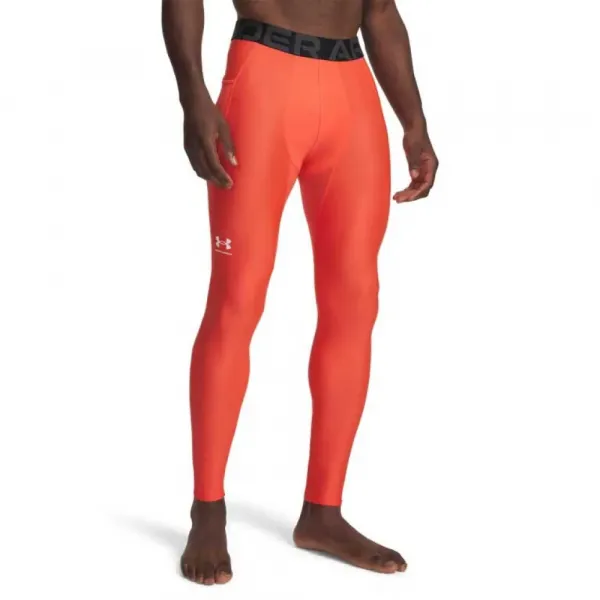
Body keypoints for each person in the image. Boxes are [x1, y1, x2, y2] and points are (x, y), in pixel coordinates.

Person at [162, 0, 438, 585]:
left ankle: (323, 512)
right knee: (237, 299)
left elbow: (380, 11)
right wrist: (193, 97)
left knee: (355, 303)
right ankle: (207, 510)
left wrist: (413, 121)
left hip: (352, 90)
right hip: (262, 77)